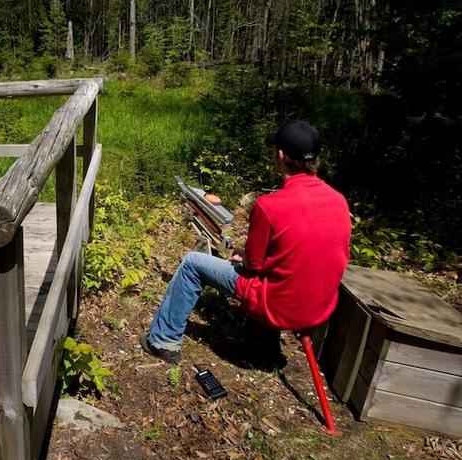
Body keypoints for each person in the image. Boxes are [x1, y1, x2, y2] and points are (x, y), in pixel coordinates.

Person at [140, 120, 351, 366]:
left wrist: (245, 256)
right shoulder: (338, 200)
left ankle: (162, 341)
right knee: (282, 272)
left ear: (281, 155)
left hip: (278, 305)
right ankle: (264, 349)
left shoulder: (270, 206)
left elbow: (254, 265)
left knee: (192, 263)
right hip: (319, 307)